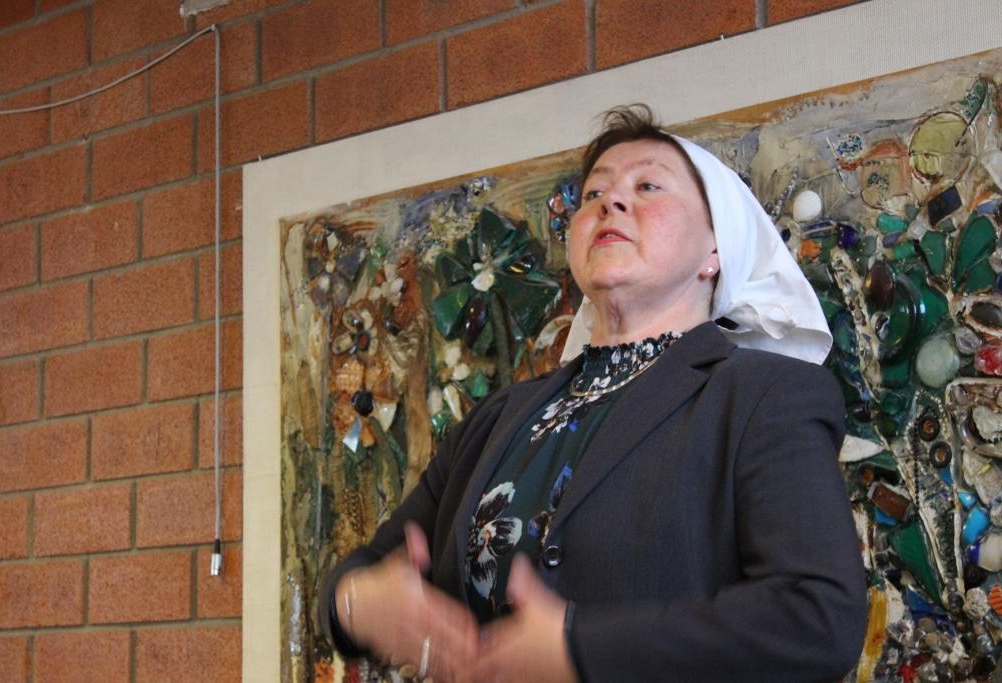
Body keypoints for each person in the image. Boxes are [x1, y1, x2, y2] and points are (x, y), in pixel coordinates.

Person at [320, 104, 868, 682]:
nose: (612, 202)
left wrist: (579, 648)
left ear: (716, 251)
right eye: (593, 194)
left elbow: (818, 618)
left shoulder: (763, 395)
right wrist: (357, 604)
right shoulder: (499, 417)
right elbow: (359, 576)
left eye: (648, 186)